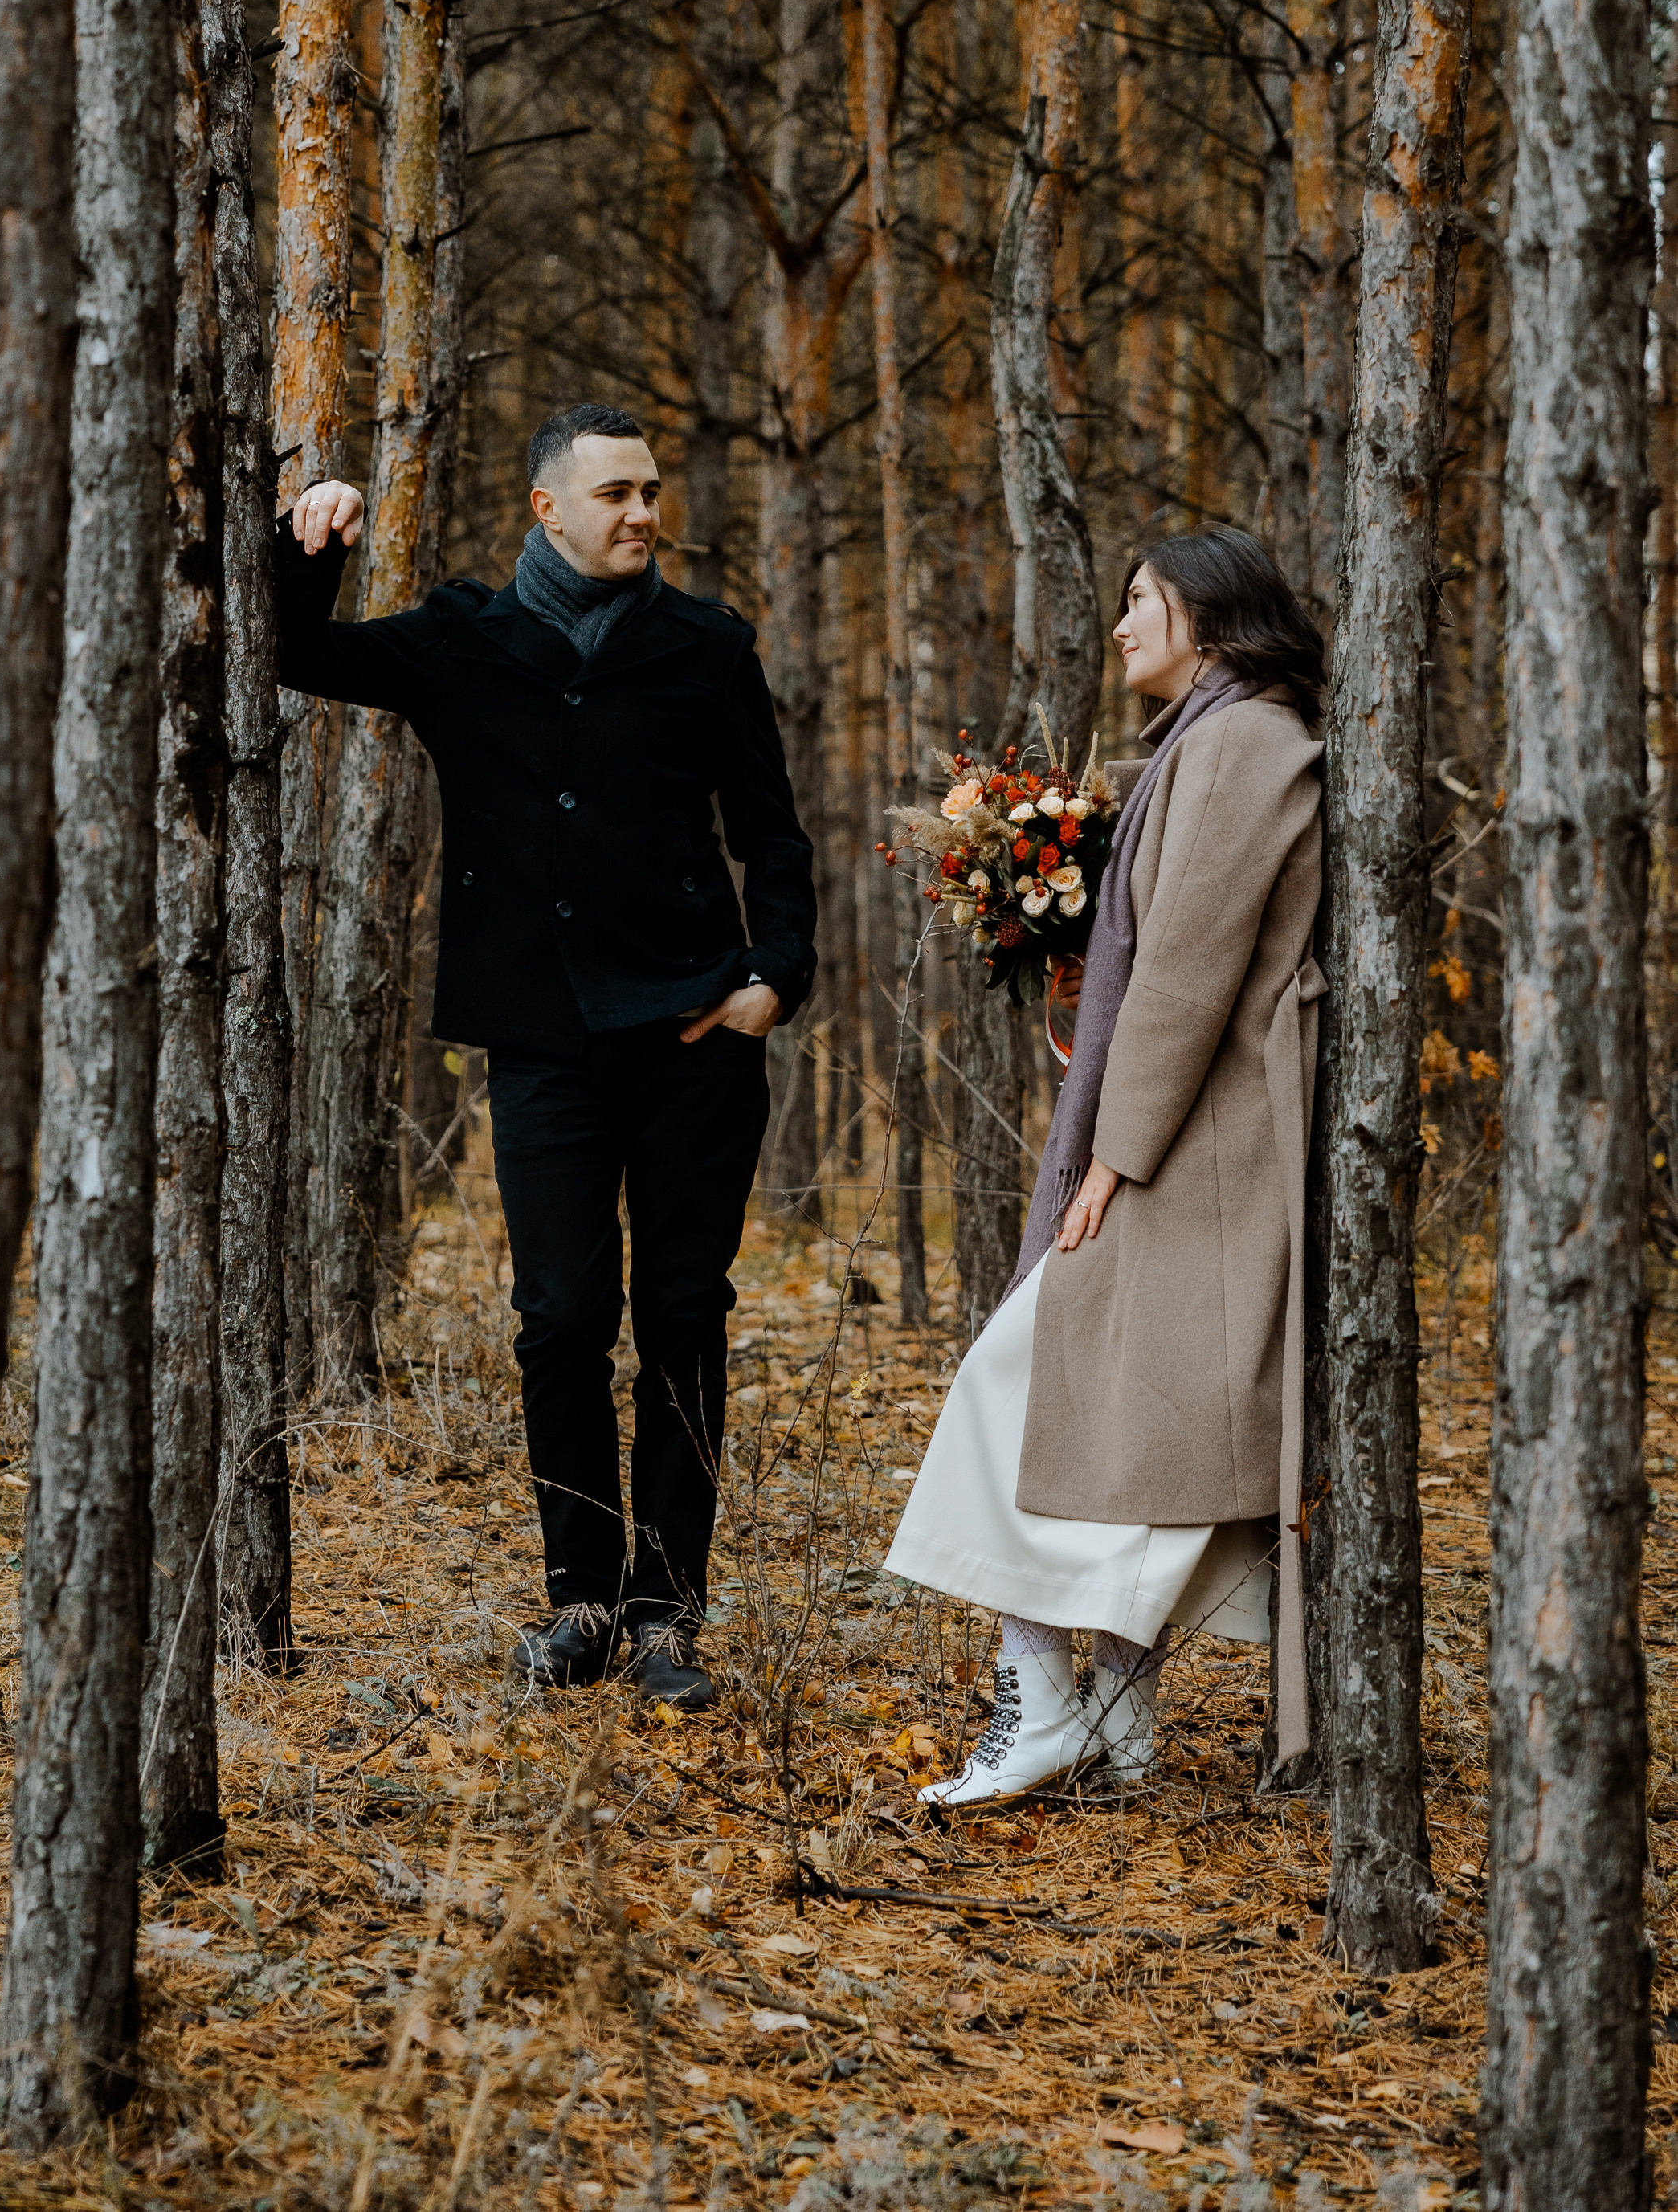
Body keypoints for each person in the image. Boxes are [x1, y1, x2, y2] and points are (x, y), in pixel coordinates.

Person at [276, 403, 817, 1710]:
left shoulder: (704, 646)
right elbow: (296, 654)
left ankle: (666, 1614)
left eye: (649, 490)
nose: (642, 512)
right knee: (560, 1319)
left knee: (683, 1316)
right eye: (614, 493)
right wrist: (307, 540)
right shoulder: (464, 640)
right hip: (540, 1041)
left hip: (694, 1032)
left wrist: (771, 979)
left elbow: (773, 836)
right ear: (547, 508)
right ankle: (578, 1600)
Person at [886, 526, 1326, 1802]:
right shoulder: (1213, 736)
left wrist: (1112, 1157)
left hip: (1202, 1143)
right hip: (1200, 1135)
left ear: (1209, 614)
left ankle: (1037, 1708)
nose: (1123, 624)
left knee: (1020, 1394)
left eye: (1142, 601)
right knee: (1129, 1436)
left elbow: (1187, 971)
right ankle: (1120, 1729)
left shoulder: (1239, 743)